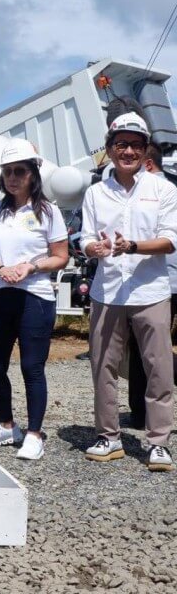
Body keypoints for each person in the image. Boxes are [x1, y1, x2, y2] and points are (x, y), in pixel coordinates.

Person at [80, 112, 176, 471]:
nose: (129, 151)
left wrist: (132, 246)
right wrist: (94, 249)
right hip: (107, 292)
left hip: (150, 291)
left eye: (136, 145)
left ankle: (158, 441)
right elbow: (86, 237)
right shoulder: (95, 193)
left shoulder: (163, 189)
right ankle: (109, 436)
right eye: (121, 144)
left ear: (145, 150)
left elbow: (170, 240)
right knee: (102, 366)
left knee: (158, 369)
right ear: (110, 149)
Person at [0, 139, 68, 460]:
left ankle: (34, 434)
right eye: (8, 171)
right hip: (0, 295)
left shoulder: (48, 212)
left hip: (35, 297)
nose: (13, 177)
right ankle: (6, 425)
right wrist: (0, 268)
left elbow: (61, 257)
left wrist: (32, 266)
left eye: (20, 171)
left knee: (32, 367)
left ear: (33, 174)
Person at [126, 143, 177, 428]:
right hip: (169, 281)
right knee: (154, 350)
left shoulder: (150, 193)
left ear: (146, 164)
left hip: (154, 284)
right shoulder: (172, 189)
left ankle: (140, 413)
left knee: (143, 351)